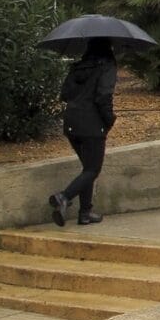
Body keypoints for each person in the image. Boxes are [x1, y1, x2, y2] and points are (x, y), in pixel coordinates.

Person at [48, 37, 116, 227]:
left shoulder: (79, 66)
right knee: (93, 169)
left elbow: (64, 94)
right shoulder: (107, 65)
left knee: (87, 169)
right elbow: (104, 96)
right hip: (92, 124)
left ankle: (85, 213)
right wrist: (109, 119)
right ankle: (64, 197)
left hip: (72, 123)